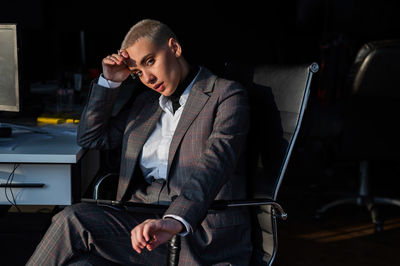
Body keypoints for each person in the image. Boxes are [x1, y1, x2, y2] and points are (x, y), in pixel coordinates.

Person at [27, 19, 252, 265]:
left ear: (174, 48)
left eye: (150, 61)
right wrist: (109, 82)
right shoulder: (146, 104)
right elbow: (92, 137)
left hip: (196, 230)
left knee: (71, 219)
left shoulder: (226, 95)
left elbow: (214, 164)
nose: (148, 78)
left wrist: (175, 219)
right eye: (137, 73)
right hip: (138, 222)